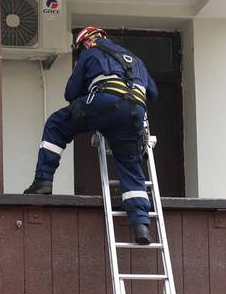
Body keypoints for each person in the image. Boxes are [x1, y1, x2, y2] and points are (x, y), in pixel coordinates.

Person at [23, 26, 157, 245]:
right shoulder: (135, 59)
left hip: (104, 104)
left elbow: (70, 93)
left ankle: (43, 181)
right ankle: (141, 225)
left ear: (84, 42)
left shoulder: (90, 52)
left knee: (57, 124)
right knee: (130, 166)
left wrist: (92, 92)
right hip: (134, 114)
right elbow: (153, 92)